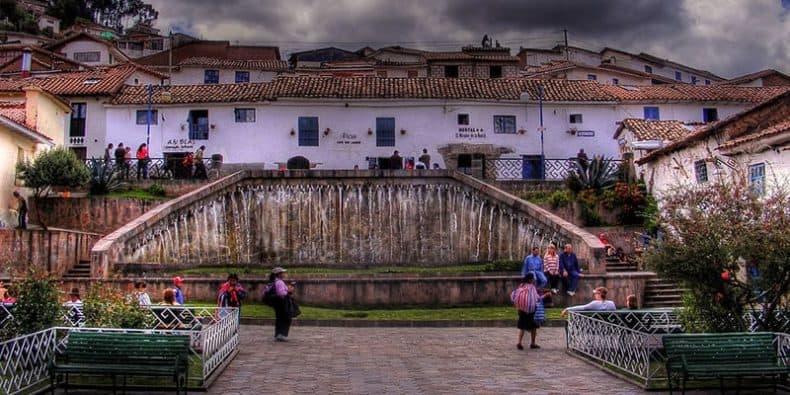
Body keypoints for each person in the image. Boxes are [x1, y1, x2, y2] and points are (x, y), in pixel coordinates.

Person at [511, 273, 550, 350]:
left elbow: (516, 295)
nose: (534, 280)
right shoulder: (532, 288)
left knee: (522, 327)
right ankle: (533, 343)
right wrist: (546, 295)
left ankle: (519, 342)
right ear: (530, 280)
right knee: (534, 327)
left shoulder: (521, 286)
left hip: (522, 310)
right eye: (533, 278)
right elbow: (537, 298)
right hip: (531, 310)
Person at [268, 267, 294, 341]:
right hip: (281, 302)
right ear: (279, 274)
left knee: (280, 318)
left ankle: (279, 334)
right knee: (285, 318)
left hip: (279, 303)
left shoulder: (278, 281)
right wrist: (288, 291)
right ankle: (281, 334)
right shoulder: (279, 282)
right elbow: (281, 293)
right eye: (283, 273)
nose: (284, 274)